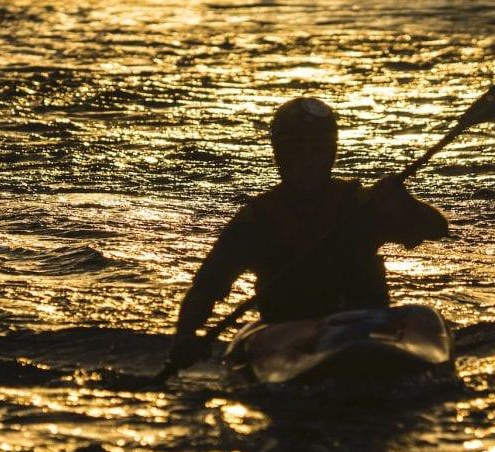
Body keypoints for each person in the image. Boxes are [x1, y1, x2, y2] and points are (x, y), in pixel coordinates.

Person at [165, 97, 449, 370]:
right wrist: (185, 336)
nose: (307, 161)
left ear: (331, 154)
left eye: (317, 151)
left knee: (423, 316)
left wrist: (405, 202)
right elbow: (206, 288)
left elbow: (436, 229)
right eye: (296, 151)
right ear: (280, 155)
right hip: (289, 332)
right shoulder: (257, 220)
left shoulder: (360, 205)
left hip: (362, 323)